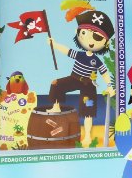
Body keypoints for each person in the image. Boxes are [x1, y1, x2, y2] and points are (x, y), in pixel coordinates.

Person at [48, 9, 115, 147]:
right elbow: (67, 51)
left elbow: (104, 73)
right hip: (74, 78)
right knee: (55, 84)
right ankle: (56, 106)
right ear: (78, 33)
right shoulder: (79, 55)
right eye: (84, 33)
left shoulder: (96, 60)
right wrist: (55, 44)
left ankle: (88, 137)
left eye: (96, 37)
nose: (89, 40)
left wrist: (110, 86)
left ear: (105, 43)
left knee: (88, 112)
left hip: (88, 85)